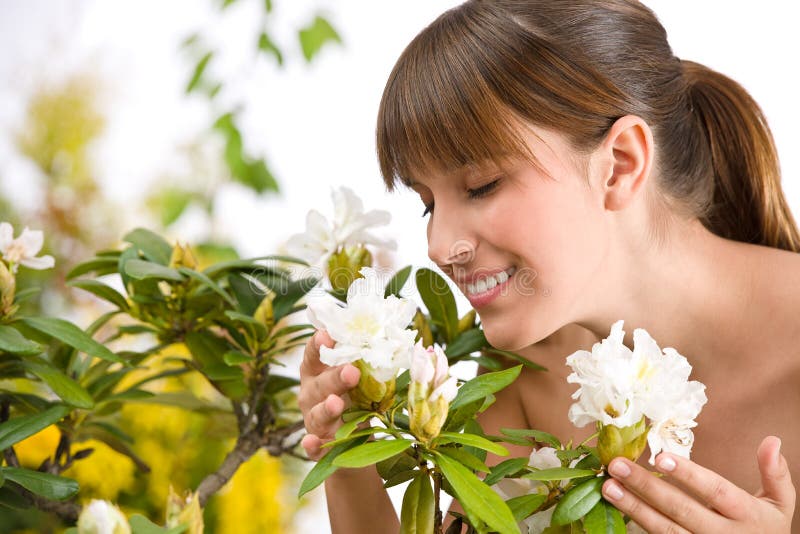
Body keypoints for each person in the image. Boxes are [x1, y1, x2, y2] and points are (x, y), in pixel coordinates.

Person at [299, 1, 798, 532]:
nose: (439, 247)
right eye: (428, 203)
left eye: (480, 186)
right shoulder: (529, 372)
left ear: (620, 165)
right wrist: (344, 447)